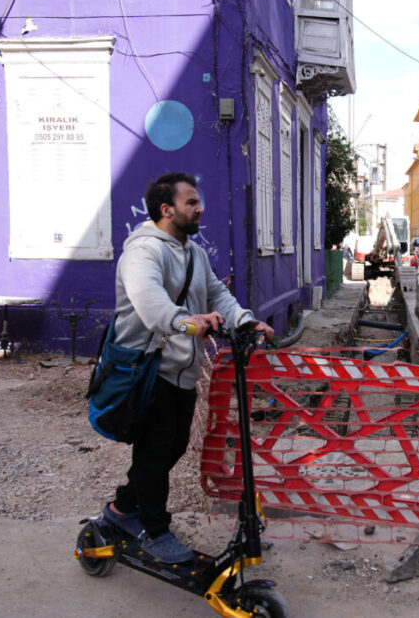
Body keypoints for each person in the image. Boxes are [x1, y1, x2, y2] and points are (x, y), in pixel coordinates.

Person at [102, 172, 274, 564]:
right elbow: (150, 303)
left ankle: (120, 509)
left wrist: (245, 321)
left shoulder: (192, 252)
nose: (200, 208)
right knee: (156, 449)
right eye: (192, 203)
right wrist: (187, 322)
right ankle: (153, 529)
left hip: (181, 369)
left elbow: (216, 293)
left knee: (169, 447)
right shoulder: (143, 252)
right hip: (147, 371)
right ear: (167, 210)